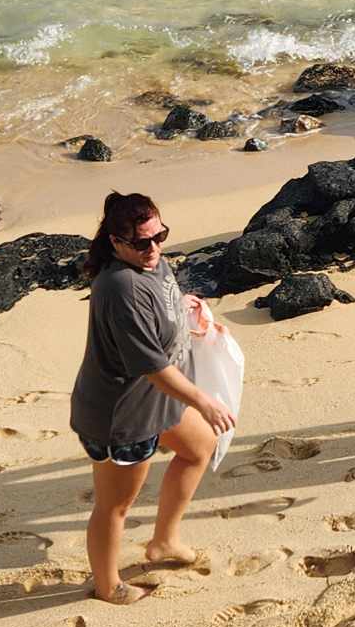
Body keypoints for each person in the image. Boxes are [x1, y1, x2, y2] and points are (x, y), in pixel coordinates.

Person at [70, 192, 236, 604]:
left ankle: (163, 542)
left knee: (199, 447)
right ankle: (109, 586)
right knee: (115, 505)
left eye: (159, 236)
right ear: (115, 242)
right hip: (121, 416)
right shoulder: (118, 287)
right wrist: (204, 400)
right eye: (142, 242)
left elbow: (161, 305)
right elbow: (151, 366)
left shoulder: (152, 262)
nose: (154, 249)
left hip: (157, 400)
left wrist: (185, 312)